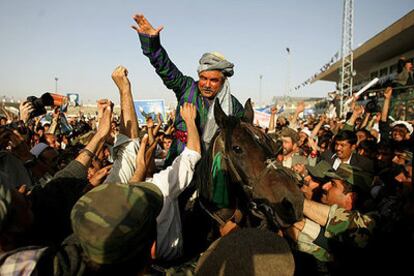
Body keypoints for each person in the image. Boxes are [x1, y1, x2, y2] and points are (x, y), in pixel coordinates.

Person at [131, 14, 244, 166]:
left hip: (215, 170)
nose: (206, 84)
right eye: (203, 78)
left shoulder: (234, 107)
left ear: (223, 81)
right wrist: (153, 44)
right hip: (178, 165)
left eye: (213, 80)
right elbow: (165, 68)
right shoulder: (187, 88)